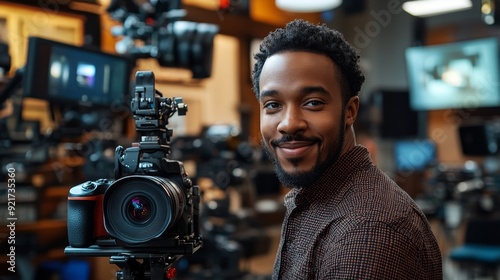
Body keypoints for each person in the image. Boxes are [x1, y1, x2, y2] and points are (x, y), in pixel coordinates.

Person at [251, 19, 442, 279]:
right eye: (273, 105)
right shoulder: (315, 197)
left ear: (350, 111)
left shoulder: (366, 233)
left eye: (313, 103)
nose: (289, 124)